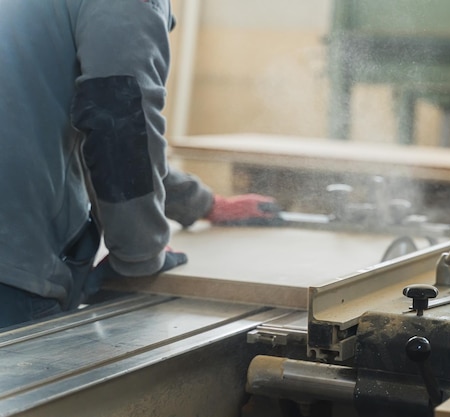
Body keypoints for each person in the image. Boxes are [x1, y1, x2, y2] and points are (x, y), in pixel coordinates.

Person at [0, 0, 279, 329]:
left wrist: (202, 203)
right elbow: (117, 122)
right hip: (14, 269)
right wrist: (140, 257)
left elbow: (112, 126)